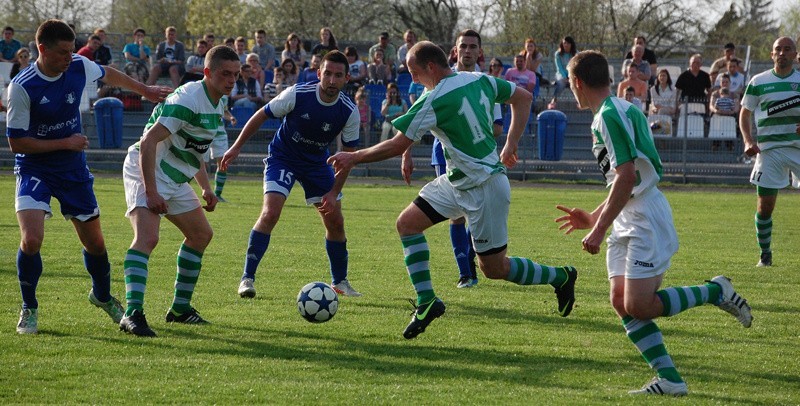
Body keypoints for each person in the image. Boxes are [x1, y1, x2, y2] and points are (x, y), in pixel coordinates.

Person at [328, 41, 578, 339]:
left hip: (484, 187)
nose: (414, 78)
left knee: (494, 269)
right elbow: (523, 98)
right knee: (407, 224)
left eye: (414, 72)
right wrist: (511, 143)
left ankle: (560, 276)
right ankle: (427, 301)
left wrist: (353, 156)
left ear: (430, 67)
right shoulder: (478, 78)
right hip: (456, 181)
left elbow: (397, 144)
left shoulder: (433, 99)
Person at [556, 49, 752, 396]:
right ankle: (670, 380)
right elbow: (626, 179)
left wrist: (599, 229)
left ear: (577, 82)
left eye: (570, 84)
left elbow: (628, 178)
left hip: (644, 216)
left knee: (639, 305)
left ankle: (715, 291)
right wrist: (594, 216)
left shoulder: (607, 116)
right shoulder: (621, 108)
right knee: (620, 301)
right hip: (628, 214)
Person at [6, 19, 171, 335]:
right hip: (34, 168)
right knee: (32, 238)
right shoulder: (22, 86)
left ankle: (103, 296)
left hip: (72, 170)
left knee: (95, 244)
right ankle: (29, 308)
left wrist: (146, 90)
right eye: (63, 52)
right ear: (42, 49)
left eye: (72, 51)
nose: (70, 57)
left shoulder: (78, 65)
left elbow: (108, 72)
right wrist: (65, 142)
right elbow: (16, 143)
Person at [220, 50, 363, 299]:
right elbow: (261, 114)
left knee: (336, 221)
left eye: (337, 75)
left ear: (346, 79)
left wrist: (334, 192)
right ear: (318, 73)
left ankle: (340, 282)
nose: (331, 80)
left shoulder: (349, 111)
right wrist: (236, 146)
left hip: (318, 164)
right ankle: (247, 278)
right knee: (270, 212)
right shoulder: (298, 94)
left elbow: (347, 158)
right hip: (283, 157)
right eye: (327, 73)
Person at [118, 45, 239, 337]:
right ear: (207, 73)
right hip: (146, 168)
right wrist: (151, 191)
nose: (232, 80)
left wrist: (206, 188)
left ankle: (180, 310)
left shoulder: (218, 101)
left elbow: (193, 147)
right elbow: (148, 142)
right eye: (225, 74)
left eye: (236, 75)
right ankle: (132, 313)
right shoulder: (189, 98)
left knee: (201, 235)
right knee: (147, 238)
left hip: (172, 175)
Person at [739, 36, 800, 268]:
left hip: (798, 148)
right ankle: (765, 254)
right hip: (769, 150)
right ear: (771, 54)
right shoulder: (758, 81)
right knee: (764, 207)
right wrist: (747, 140)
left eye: (787, 49)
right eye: (778, 49)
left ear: (795, 54)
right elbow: (745, 113)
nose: (782, 53)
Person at [549, 36, 577, 109]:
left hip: (572, 74)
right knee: (561, 83)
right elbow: (559, 67)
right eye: (564, 43)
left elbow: (575, 67)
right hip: (561, 74)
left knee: (574, 83)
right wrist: (565, 77)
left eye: (568, 43)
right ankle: (554, 100)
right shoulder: (558, 54)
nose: (566, 45)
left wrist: (570, 77)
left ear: (571, 44)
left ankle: (579, 100)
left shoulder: (576, 54)